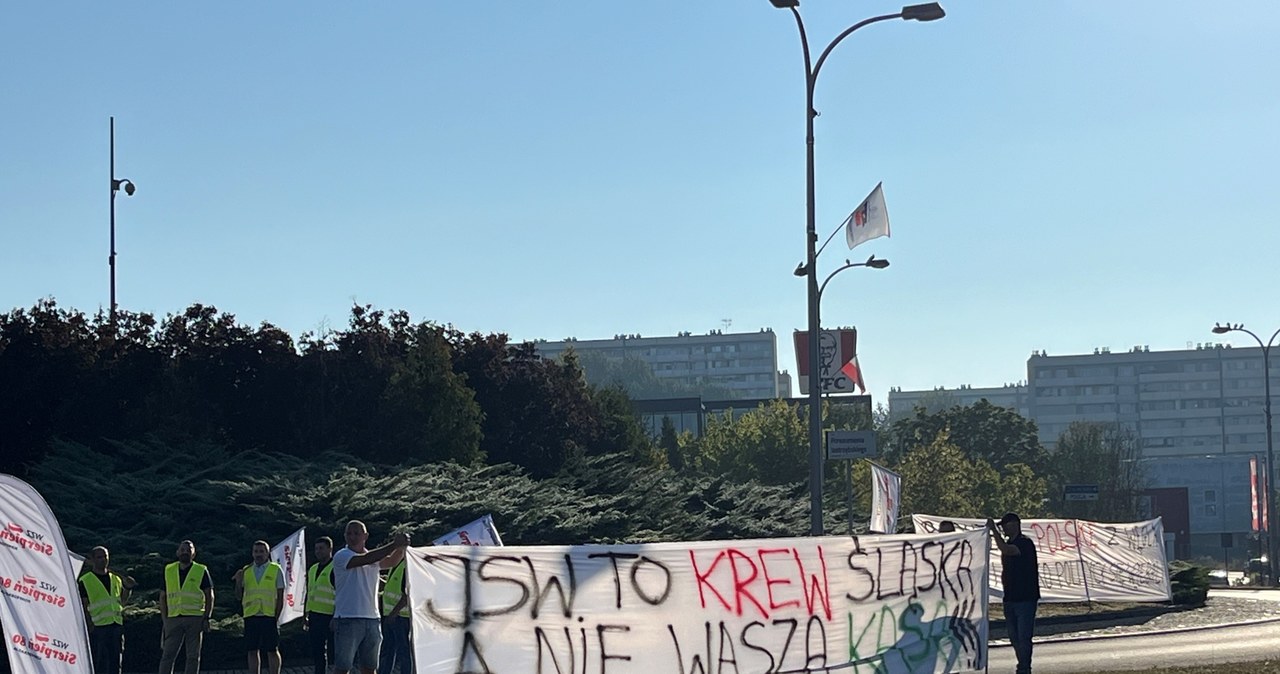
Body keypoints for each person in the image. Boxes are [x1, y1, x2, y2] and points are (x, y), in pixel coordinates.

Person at [332, 520, 410, 674]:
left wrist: (401, 548)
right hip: (348, 618)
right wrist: (394, 545)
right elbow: (366, 560)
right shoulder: (342, 555)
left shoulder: (373, 556)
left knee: (370, 667)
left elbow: (392, 561)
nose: (352, 537)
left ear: (365, 536)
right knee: (343, 667)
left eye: (357, 533)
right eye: (349, 533)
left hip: (372, 619)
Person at [987, 513, 1040, 674]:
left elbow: (1007, 550)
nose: (1002, 528)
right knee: (1014, 637)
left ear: (1014, 524)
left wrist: (993, 532)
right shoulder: (1010, 542)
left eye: (1004, 525)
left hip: (1025, 598)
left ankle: (1024, 667)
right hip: (1010, 597)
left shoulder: (1024, 543)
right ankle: (1022, 664)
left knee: (1023, 637)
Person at [77, 546, 137, 674]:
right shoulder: (85, 580)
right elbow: (83, 605)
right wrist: (89, 625)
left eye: (105, 556)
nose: (103, 560)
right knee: (98, 664)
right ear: (92, 559)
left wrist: (127, 589)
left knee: (115, 664)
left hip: (115, 625)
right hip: (98, 628)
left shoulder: (116, 579)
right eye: (99, 557)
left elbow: (121, 601)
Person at [158, 540, 214, 674]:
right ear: (177, 552)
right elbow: (162, 596)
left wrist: (207, 617)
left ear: (194, 554)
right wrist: (165, 619)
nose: (185, 552)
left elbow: (209, 594)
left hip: (195, 618)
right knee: (167, 655)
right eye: (182, 550)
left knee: (193, 656)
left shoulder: (201, 570)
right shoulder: (169, 570)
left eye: (188, 550)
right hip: (173, 618)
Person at [234, 540, 285, 674]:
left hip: (269, 616)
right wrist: (238, 582)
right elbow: (239, 596)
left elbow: (281, 596)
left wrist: (276, 617)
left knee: (272, 650)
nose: (258, 554)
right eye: (256, 551)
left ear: (267, 553)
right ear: (252, 553)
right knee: (252, 650)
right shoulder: (246, 571)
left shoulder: (275, 569)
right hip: (251, 615)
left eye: (261, 551)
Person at [305, 536, 337, 674]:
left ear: (330, 549)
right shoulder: (312, 569)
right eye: (316, 548)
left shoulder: (335, 568)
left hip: (330, 616)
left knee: (335, 653)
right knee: (317, 652)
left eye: (321, 548)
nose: (318, 551)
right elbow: (309, 592)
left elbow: (341, 594)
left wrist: (336, 615)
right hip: (314, 616)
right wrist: (305, 613)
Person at [378, 558, 412, 674]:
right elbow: (389, 586)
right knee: (388, 649)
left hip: (401, 616)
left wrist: (394, 613)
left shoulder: (405, 566)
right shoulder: (396, 565)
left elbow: (406, 594)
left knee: (403, 651)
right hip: (392, 614)